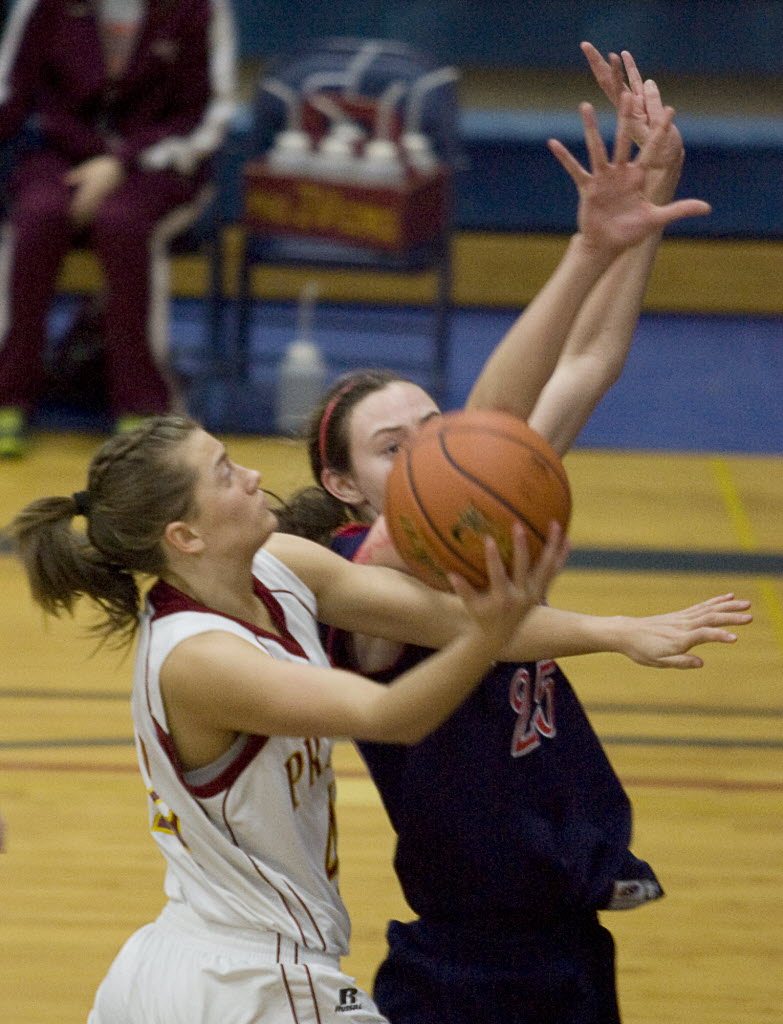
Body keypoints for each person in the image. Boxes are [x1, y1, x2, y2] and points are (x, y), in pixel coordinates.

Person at [275, 49, 754, 1024]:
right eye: (396, 444)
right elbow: (494, 445)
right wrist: (620, 628)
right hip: (468, 963)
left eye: (437, 428)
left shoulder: (483, 503)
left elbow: (590, 360)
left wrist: (648, 213)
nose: (436, 450)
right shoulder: (369, 571)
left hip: (569, 936)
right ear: (342, 483)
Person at [10, 414, 572, 1024]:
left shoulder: (276, 567)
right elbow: (392, 714)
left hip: (184, 964)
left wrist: (627, 634)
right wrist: (490, 633)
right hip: (259, 982)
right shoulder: (202, 659)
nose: (253, 477)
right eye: (225, 474)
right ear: (186, 536)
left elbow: (446, 619)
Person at [0, 0, 237, 456]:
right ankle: (9, 394)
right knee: (35, 218)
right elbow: (11, 96)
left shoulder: (200, 9)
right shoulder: (40, 6)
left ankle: (143, 407)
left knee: (123, 225)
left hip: (161, 165)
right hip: (61, 158)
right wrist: (90, 159)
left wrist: (120, 163)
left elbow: (209, 116)